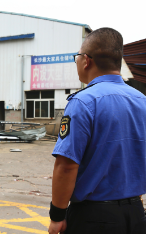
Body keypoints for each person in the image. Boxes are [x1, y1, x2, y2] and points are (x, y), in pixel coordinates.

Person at [48, 27, 146, 234]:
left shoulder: (83, 102)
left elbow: (66, 166)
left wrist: (57, 216)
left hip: (93, 218)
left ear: (86, 60)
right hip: (136, 214)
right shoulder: (142, 101)